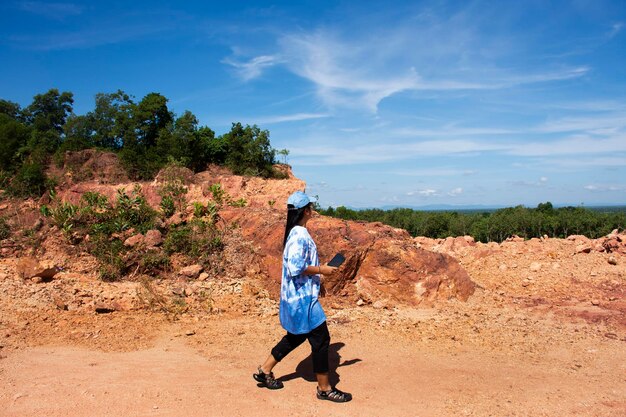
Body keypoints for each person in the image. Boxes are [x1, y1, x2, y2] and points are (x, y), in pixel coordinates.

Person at [253, 191, 352, 403]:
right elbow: (296, 267)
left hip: (296, 297)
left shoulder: (294, 233)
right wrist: (321, 270)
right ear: (306, 210)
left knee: (296, 336)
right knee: (321, 339)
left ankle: (264, 370)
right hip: (303, 299)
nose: (312, 210)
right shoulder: (299, 235)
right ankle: (324, 389)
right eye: (311, 207)